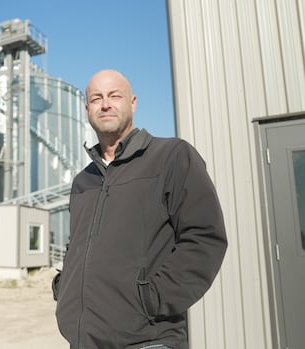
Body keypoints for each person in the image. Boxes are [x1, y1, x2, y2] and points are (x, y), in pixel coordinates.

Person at [52, 69, 228, 349]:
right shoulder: (83, 181)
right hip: (82, 341)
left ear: (132, 103)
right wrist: (64, 286)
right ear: (87, 109)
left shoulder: (171, 157)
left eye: (114, 96)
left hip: (148, 340)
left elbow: (205, 237)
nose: (105, 104)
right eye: (96, 98)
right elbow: (78, 245)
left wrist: (153, 298)